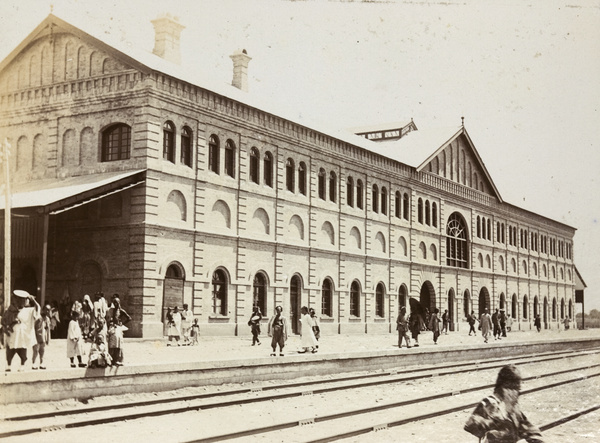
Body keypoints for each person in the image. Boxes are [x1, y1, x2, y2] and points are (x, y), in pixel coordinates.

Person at [464, 364, 544, 443]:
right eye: (511, 388)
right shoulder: (489, 403)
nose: (515, 393)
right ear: (503, 388)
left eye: (517, 389)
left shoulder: (514, 409)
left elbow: (529, 429)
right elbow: (470, 425)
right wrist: (502, 418)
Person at [2, 290, 40, 372]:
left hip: (22, 335)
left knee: (22, 349)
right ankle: (8, 365)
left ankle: (22, 365)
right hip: (12, 334)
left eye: (24, 300)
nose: (22, 302)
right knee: (10, 350)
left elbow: (37, 309)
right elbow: (4, 321)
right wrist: (6, 328)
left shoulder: (29, 310)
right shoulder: (10, 310)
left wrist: (33, 300)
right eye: (19, 300)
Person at [105, 296, 131, 366]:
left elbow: (129, 318)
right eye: (114, 302)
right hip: (112, 328)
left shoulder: (121, 311)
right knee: (111, 344)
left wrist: (122, 323)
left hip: (118, 328)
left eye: (117, 302)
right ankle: (110, 359)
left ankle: (117, 359)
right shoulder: (111, 310)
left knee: (117, 344)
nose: (115, 304)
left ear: (119, 303)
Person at [32, 304, 52, 370]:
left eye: (49, 310)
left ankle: (41, 363)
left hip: (43, 337)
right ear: (43, 310)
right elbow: (34, 328)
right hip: (37, 337)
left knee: (42, 351)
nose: (47, 312)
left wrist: (48, 339)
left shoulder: (47, 319)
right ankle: (34, 363)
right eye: (46, 310)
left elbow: (48, 329)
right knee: (36, 350)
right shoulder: (38, 318)